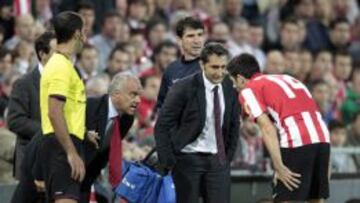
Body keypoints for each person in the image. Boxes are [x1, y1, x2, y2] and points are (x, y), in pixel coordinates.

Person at [227, 53, 330, 203]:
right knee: (315, 198)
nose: (234, 86)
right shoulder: (289, 79)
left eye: (233, 81)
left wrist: (279, 166)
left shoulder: (248, 89)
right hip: (322, 137)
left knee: (285, 198)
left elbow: (267, 128)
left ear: (241, 78)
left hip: (296, 139)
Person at [154, 43, 240, 203]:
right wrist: (168, 162)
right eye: (214, 67)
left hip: (218, 161)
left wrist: (228, 157)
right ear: (202, 64)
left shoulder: (230, 86)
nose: (220, 72)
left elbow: (234, 124)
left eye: (223, 67)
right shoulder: (183, 87)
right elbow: (162, 125)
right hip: (187, 159)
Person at [38, 11, 87, 203]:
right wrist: (71, 152)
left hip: (62, 142)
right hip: (61, 145)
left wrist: (83, 131)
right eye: (85, 30)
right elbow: (54, 111)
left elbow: (65, 110)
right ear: (77, 34)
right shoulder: (60, 66)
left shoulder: (62, 64)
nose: (86, 36)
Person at [8, 31, 56, 203]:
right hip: (31, 160)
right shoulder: (24, 83)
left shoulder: (69, 82)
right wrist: (50, 130)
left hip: (58, 160)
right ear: (42, 54)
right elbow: (14, 120)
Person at [81, 72, 142, 203]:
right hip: (67, 171)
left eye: (139, 95)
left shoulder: (127, 118)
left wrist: (90, 176)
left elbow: (108, 149)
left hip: (88, 176)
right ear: (115, 94)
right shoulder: (90, 107)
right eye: (133, 95)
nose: (138, 100)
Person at [156, 16, 205, 110]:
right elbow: (162, 105)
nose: (197, 41)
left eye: (200, 35)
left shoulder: (213, 66)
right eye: (190, 36)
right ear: (179, 40)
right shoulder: (171, 69)